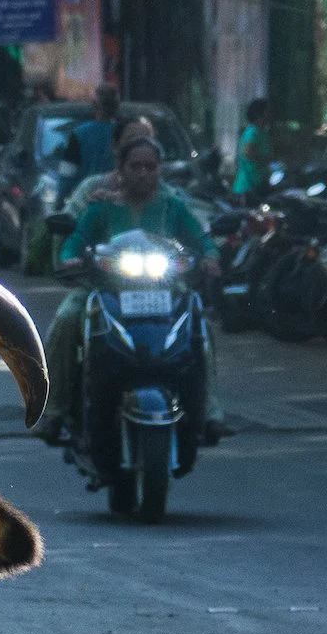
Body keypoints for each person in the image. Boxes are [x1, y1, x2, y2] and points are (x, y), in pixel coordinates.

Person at [33, 133, 225, 444]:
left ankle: (210, 410)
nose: (143, 173)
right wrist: (70, 259)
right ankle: (53, 409)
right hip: (104, 288)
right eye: (135, 166)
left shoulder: (172, 206)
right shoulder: (101, 206)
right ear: (121, 169)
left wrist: (211, 257)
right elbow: (74, 242)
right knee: (68, 318)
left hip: (165, 288)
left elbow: (201, 239)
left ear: (160, 170)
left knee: (198, 321)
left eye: (150, 167)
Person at [67, 82, 121, 181]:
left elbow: (67, 173)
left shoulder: (79, 134)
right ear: (117, 107)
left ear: (94, 105)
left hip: (85, 189)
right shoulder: (125, 132)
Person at [232, 97, 273, 201]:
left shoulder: (263, 133)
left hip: (258, 185)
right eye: (267, 112)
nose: (270, 115)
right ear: (260, 114)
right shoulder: (253, 132)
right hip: (248, 187)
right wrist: (264, 159)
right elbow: (248, 152)